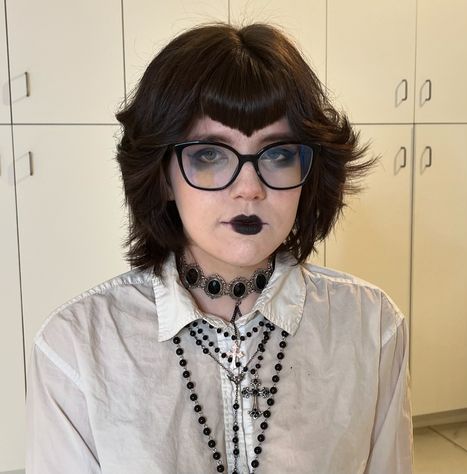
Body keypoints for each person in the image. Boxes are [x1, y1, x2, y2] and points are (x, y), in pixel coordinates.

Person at [25, 23, 413, 474]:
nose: (249, 188)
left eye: (279, 154)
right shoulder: (77, 346)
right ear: (163, 174)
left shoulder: (372, 327)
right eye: (209, 155)